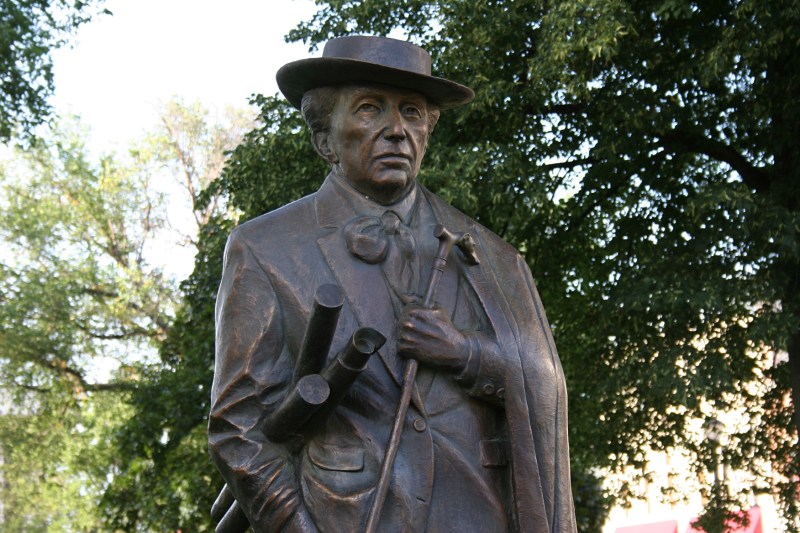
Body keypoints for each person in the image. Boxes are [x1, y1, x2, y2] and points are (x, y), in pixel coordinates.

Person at [209, 35, 577, 532]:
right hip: (344, 518)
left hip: (479, 515)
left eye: (412, 112)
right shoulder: (266, 247)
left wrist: (464, 352)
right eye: (369, 108)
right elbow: (239, 425)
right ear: (324, 138)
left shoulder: (493, 256)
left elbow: (542, 377)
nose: (397, 130)